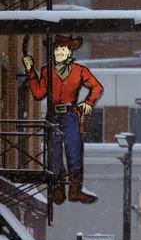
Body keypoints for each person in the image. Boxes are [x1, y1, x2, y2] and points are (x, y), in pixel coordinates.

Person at [23, 34, 104, 205]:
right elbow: (38, 92)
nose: (59, 52)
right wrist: (30, 71)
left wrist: (88, 103)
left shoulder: (79, 70)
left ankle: (75, 190)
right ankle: (57, 187)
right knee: (54, 152)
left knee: (74, 149)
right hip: (53, 115)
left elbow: (97, 87)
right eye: (57, 49)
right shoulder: (47, 71)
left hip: (70, 115)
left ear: (69, 52)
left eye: (63, 49)